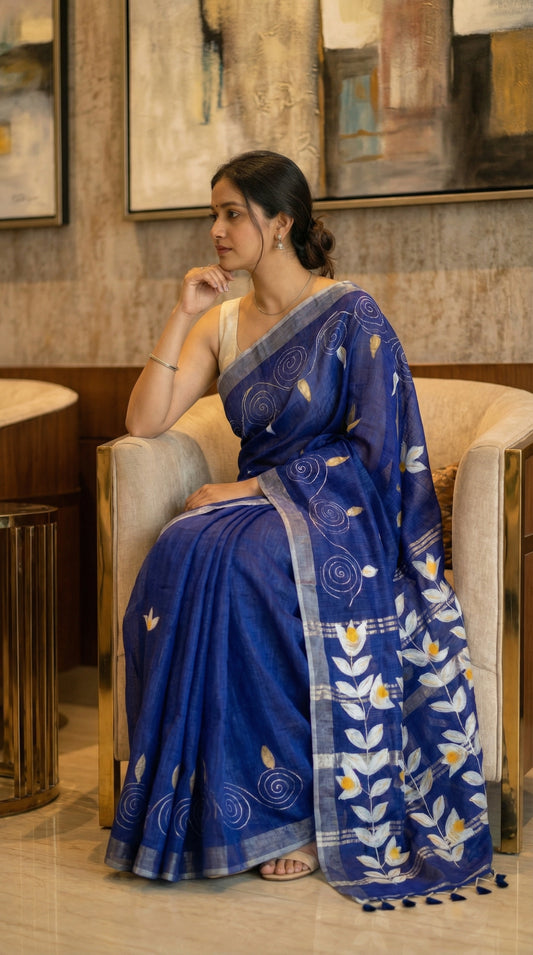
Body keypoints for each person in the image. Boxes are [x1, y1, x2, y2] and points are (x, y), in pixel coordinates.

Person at [105, 150, 495, 907]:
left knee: (249, 559)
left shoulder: (351, 313)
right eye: (212, 213)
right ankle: (210, 807)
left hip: (338, 512)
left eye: (231, 215)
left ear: (279, 223)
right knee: (178, 548)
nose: (215, 230)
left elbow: (375, 449)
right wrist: (181, 310)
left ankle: (300, 818)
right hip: (252, 507)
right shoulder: (220, 322)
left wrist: (250, 485)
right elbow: (142, 419)